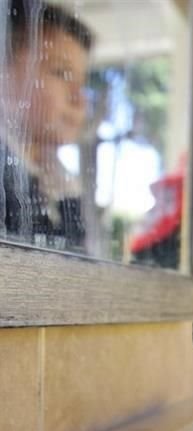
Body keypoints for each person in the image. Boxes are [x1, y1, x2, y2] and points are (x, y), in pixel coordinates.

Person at [1, 0, 92, 253]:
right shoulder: (7, 178)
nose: (79, 99)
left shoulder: (61, 185)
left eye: (83, 82)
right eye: (61, 73)